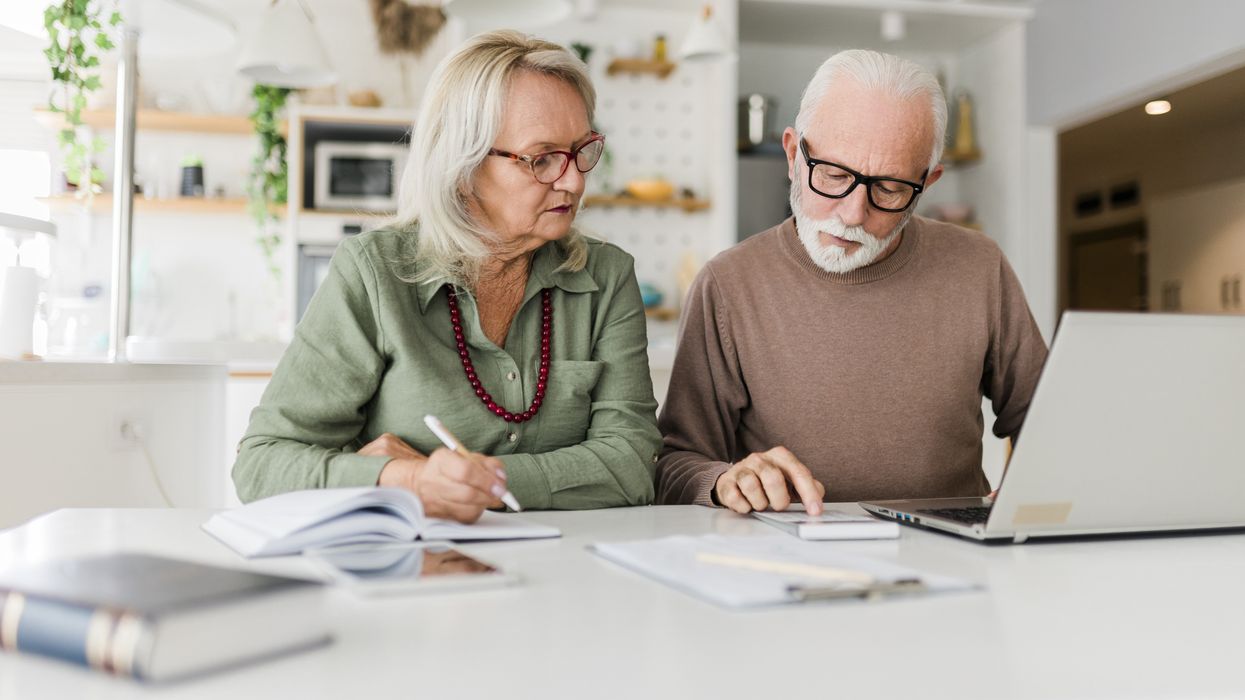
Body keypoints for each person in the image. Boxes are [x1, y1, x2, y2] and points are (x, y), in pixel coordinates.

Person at [234, 31, 661, 522]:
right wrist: (402, 480)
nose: (574, 179)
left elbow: (632, 463)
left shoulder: (607, 276)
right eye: (541, 159)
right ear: (463, 164)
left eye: (582, 150)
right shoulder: (375, 273)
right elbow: (261, 466)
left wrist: (475, 483)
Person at [656, 49, 1048, 514]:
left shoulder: (979, 266)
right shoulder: (728, 284)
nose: (853, 213)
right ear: (792, 155)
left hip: (954, 554)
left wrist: (1036, 490)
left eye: (889, 189)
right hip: (790, 557)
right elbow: (674, 464)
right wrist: (723, 480)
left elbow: (1046, 418)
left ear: (930, 181)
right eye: (834, 175)